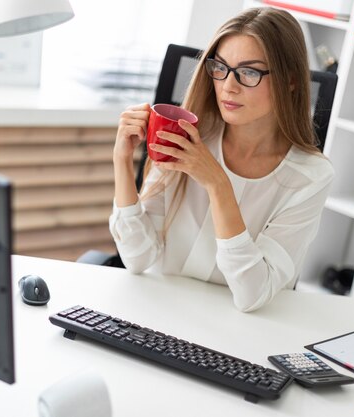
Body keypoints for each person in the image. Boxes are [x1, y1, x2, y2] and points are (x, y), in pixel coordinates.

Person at [109, 7, 334, 312]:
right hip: (157, 312)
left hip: (234, 334)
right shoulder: (186, 137)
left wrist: (218, 184)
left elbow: (252, 295)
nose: (229, 85)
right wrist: (121, 162)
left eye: (249, 72)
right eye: (220, 67)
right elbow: (137, 258)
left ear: (291, 80)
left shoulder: (310, 176)